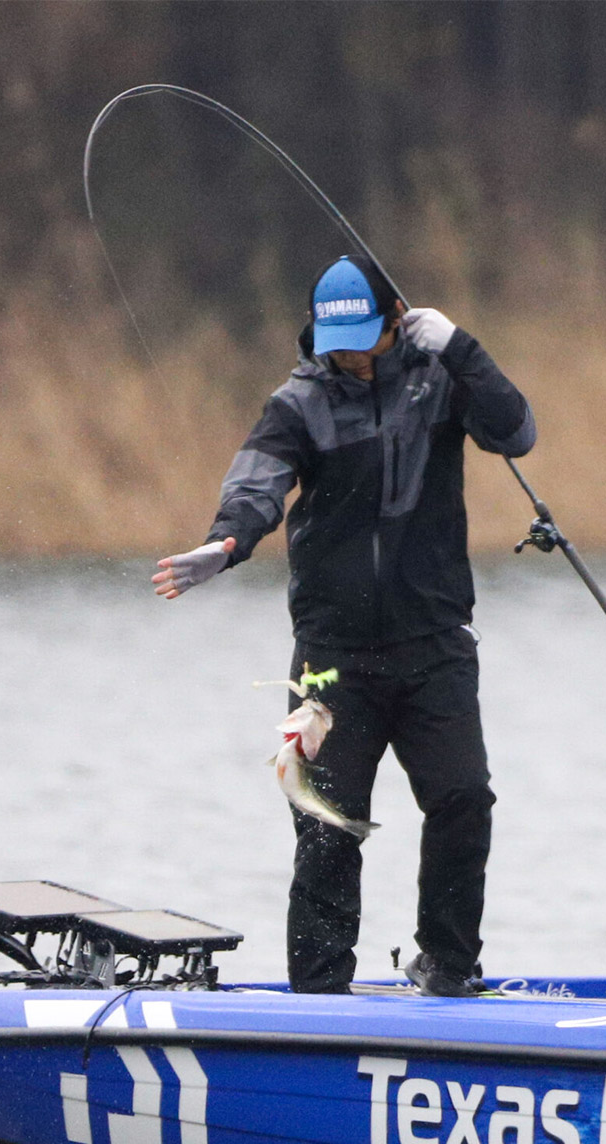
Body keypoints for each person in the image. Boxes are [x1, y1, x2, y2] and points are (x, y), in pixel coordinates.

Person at [152, 255, 536, 997]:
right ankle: (320, 997)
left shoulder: (440, 380)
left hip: (436, 645)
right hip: (332, 663)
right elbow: (258, 482)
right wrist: (225, 542)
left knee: (464, 799)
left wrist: (462, 347)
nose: (349, 354)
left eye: (363, 336)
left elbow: (517, 433)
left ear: (397, 321)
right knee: (327, 828)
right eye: (337, 341)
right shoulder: (298, 403)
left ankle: (447, 968)